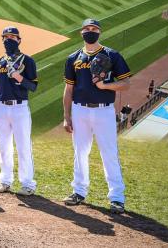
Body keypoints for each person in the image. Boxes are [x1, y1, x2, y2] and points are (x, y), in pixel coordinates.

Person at [62, 18, 131, 214]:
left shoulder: (112, 55)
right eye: (86, 29)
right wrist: (67, 116)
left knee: (109, 153)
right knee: (80, 153)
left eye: (93, 28)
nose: (90, 31)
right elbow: (68, 89)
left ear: (99, 32)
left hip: (104, 111)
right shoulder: (73, 58)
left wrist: (105, 86)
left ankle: (117, 198)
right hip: (79, 110)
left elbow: (126, 84)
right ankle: (78, 192)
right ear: (81, 32)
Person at [0, 27, 38, 196]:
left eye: (12, 37)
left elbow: (33, 86)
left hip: (20, 108)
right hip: (2, 108)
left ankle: (27, 184)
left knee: (23, 146)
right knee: (4, 147)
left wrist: (19, 77)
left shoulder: (28, 61)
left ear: (19, 40)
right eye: (5, 37)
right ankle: (5, 181)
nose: (8, 40)